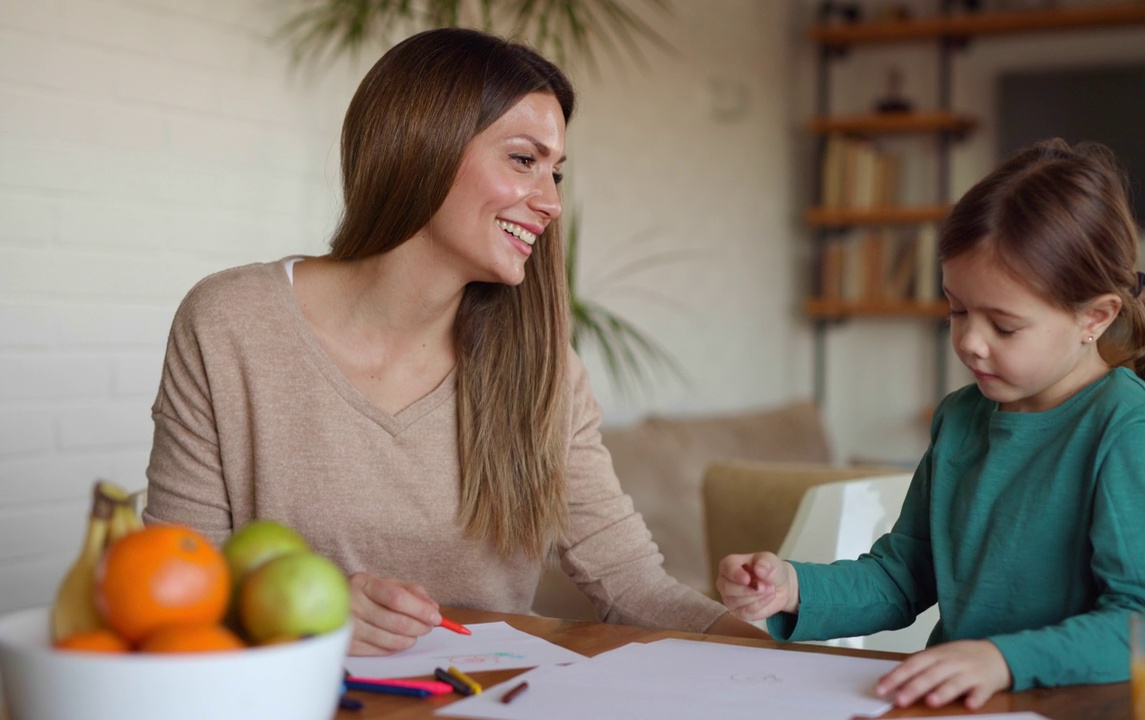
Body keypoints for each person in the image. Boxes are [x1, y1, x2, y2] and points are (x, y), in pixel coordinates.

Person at [143, 27, 765, 655]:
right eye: (525, 160)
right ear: (423, 146)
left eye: (556, 173)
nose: (550, 202)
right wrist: (305, 615)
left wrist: (790, 668)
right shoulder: (232, 323)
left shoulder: (543, 369)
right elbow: (174, 579)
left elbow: (634, 587)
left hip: (488, 697)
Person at [717, 139, 1145, 709]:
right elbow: (903, 576)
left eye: (1004, 326)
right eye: (956, 310)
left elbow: (1141, 626)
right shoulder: (960, 418)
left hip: (1075, 705)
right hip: (966, 706)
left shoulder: (1127, 428)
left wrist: (1001, 659)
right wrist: (794, 588)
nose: (969, 342)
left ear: (1095, 317)